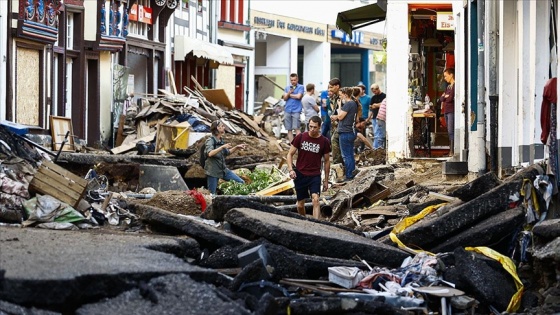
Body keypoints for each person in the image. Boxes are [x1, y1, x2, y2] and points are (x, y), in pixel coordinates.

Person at [286, 116, 331, 218]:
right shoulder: (301, 137)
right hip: (300, 173)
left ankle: (315, 225)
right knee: (300, 205)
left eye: (315, 127)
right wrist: (290, 170)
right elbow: (289, 154)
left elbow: (327, 161)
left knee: (315, 199)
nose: (312, 129)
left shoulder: (324, 141)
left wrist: (326, 180)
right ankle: (304, 222)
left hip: (315, 174)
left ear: (319, 127)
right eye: (310, 126)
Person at [204, 120, 248, 195]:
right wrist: (222, 147)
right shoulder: (210, 141)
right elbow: (210, 153)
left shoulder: (221, 140)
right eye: (222, 126)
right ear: (218, 128)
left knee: (241, 182)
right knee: (212, 194)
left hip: (223, 170)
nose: (224, 128)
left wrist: (237, 147)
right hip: (213, 171)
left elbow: (227, 152)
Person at [331, 87, 358, 181]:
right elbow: (341, 114)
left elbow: (340, 116)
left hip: (345, 132)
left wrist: (335, 117)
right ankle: (352, 172)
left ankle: (349, 175)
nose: (340, 96)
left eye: (341, 94)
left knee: (346, 155)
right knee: (349, 154)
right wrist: (339, 106)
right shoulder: (352, 103)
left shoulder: (348, 104)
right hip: (351, 131)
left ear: (345, 94)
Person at [282, 73, 305, 142]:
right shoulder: (287, 88)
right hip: (287, 110)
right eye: (292, 80)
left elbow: (299, 96)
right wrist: (289, 93)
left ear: (297, 79)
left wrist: (289, 95)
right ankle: (292, 145)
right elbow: (285, 98)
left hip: (296, 110)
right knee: (289, 129)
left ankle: (299, 145)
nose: (293, 82)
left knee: (296, 128)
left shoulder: (301, 87)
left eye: (294, 80)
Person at [440, 68, 455, 156]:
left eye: (446, 76)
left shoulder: (454, 86)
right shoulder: (448, 87)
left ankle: (452, 151)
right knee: (449, 130)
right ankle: (450, 150)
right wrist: (445, 96)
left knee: (451, 130)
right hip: (446, 110)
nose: (445, 78)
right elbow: (441, 99)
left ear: (451, 75)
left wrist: (445, 97)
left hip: (451, 110)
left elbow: (450, 99)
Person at [328, 78, 343, 164]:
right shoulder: (334, 97)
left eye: (331, 87)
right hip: (334, 124)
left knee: (336, 143)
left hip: (341, 124)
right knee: (335, 144)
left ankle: (338, 164)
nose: (330, 89)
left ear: (337, 86)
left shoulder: (342, 96)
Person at [369, 84, 386, 149]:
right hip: (374, 117)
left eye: (375, 91)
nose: (374, 93)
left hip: (382, 118)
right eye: (373, 92)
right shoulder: (373, 97)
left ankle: (376, 147)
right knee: (376, 132)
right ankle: (377, 147)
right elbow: (371, 106)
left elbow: (384, 103)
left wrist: (376, 105)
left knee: (379, 133)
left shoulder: (384, 96)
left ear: (378, 89)